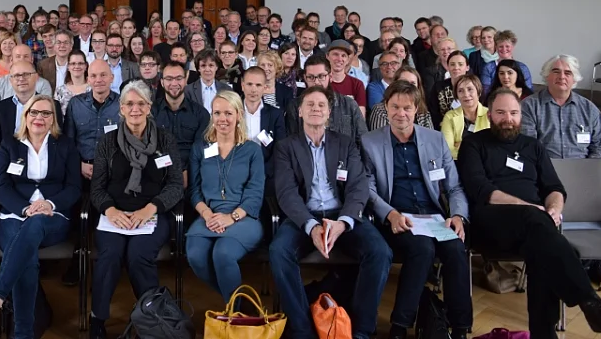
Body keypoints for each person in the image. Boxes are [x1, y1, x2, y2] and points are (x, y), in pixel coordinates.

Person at [458, 88, 601, 338]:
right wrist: (528, 208)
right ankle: (591, 304)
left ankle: (547, 332)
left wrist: (554, 209)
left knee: (542, 246)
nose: (508, 119)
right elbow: (480, 189)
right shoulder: (474, 143)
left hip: (535, 225)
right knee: (547, 236)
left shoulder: (533, 146)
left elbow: (554, 188)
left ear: (521, 116)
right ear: (490, 115)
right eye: (501, 113)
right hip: (490, 222)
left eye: (513, 113)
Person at [269, 85, 391, 339]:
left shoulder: (345, 144)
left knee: (380, 252)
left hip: (341, 215)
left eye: (321, 105)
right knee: (279, 252)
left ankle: (361, 331)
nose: (316, 109)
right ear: (300, 111)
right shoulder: (286, 147)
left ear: (328, 113)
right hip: (303, 217)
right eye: (310, 104)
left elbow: (358, 187)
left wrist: (344, 222)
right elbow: (286, 193)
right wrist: (312, 226)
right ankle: (303, 330)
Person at [360, 81, 472, 339]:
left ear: (416, 109)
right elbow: (367, 189)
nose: (401, 113)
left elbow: (454, 187)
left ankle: (460, 327)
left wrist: (457, 215)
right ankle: (400, 325)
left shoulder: (435, 140)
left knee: (456, 249)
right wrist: (390, 214)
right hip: (396, 216)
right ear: (385, 108)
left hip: (434, 217)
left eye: (407, 108)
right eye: (395, 107)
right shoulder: (370, 142)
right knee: (422, 249)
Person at [0, 95, 81, 336]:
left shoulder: (65, 145)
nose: (39, 117)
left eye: (46, 113)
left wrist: (50, 204)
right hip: (14, 215)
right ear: (26, 116)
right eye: (34, 112)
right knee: (27, 258)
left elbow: (74, 187)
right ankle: (23, 333)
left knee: (36, 224)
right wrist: (24, 208)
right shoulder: (10, 145)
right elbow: (1, 186)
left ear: (53, 119)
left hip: (53, 216)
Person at [522, 54, 601, 289]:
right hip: (547, 176)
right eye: (556, 71)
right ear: (546, 76)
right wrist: (555, 176)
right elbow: (528, 148)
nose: (562, 76)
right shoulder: (530, 106)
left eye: (568, 72)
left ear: (575, 79)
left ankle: (593, 257)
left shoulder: (588, 109)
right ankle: (559, 256)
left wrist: (587, 174)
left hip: (584, 174)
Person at [88, 81, 184, 338]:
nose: (135, 109)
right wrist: (110, 211)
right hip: (114, 215)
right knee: (109, 256)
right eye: (129, 104)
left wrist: (150, 209)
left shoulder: (165, 140)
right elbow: (97, 188)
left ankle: (151, 322)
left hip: (152, 214)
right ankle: (97, 319)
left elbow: (176, 185)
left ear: (149, 107)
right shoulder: (108, 142)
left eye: (141, 103)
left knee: (138, 256)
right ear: (121, 109)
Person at [186, 91, 265, 302]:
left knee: (223, 254)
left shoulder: (252, 150)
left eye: (228, 113)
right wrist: (208, 215)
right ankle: (238, 304)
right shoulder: (200, 148)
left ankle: (235, 312)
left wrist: (231, 217)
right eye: (217, 113)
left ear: (239, 115)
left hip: (243, 218)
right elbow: (194, 190)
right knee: (195, 256)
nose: (222, 119)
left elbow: (255, 192)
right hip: (209, 216)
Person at [287, 56, 367, 145]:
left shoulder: (349, 104)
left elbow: (364, 141)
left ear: (330, 77)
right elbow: (290, 143)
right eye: (311, 77)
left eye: (321, 76)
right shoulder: (295, 106)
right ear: (305, 78)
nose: (316, 82)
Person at [152, 61, 211, 176]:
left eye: (179, 78)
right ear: (162, 82)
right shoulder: (151, 112)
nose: (174, 83)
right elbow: (150, 148)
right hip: (159, 172)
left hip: (192, 173)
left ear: (185, 80)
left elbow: (200, 151)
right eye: (169, 79)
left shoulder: (201, 114)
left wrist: (186, 172)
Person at [0, 61, 63, 148]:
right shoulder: (0, 108)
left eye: (26, 74)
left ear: (36, 77)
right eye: (17, 75)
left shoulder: (53, 105)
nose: (21, 79)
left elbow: (58, 138)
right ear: (11, 80)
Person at [240, 67, 287, 192]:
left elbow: (280, 148)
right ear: (242, 85)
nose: (253, 89)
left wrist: (261, 172)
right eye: (249, 84)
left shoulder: (275, 114)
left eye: (258, 85)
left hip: (266, 176)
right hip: (235, 174)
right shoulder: (232, 111)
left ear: (265, 87)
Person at [368, 67, 435, 131]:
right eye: (404, 82)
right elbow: (379, 137)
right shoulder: (380, 110)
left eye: (412, 83)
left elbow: (430, 137)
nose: (408, 87)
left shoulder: (423, 112)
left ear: (418, 87)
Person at [441, 74, 489, 159]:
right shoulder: (449, 117)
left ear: (478, 92)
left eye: (470, 89)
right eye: (460, 91)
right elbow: (447, 150)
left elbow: (492, 147)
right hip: (458, 163)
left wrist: (461, 146)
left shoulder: (489, 114)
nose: (466, 94)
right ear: (456, 95)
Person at [427, 48, 467, 128]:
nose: (456, 67)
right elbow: (433, 113)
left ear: (467, 67)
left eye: (460, 64)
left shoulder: (474, 86)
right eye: (452, 64)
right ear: (447, 67)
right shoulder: (438, 87)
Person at [327, 40, 367, 116]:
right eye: (335, 54)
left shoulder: (357, 84)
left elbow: (361, 117)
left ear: (348, 60)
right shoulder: (321, 82)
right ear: (327, 56)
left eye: (343, 56)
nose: (339, 59)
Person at [54, 50, 91, 114]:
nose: (77, 66)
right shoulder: (60, 91)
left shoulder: (92, 89)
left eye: (80, 63)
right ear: (68, 67)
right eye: (73, 63)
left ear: (85, 66)